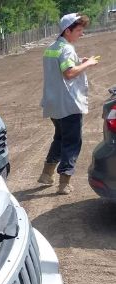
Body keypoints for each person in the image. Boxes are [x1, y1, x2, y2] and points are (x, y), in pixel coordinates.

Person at [38, 13, 98, 194]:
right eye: (79, 30)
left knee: (60, 138)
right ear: (67, 30)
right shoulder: (67, 49)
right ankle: (64, 182)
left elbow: (61, 68)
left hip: (53, 103)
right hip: (68, 105)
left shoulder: (51, 48)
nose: (81, 34)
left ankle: (46, 174)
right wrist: (88, 64)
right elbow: (69, 73)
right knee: (72, 142)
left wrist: (81, 62)